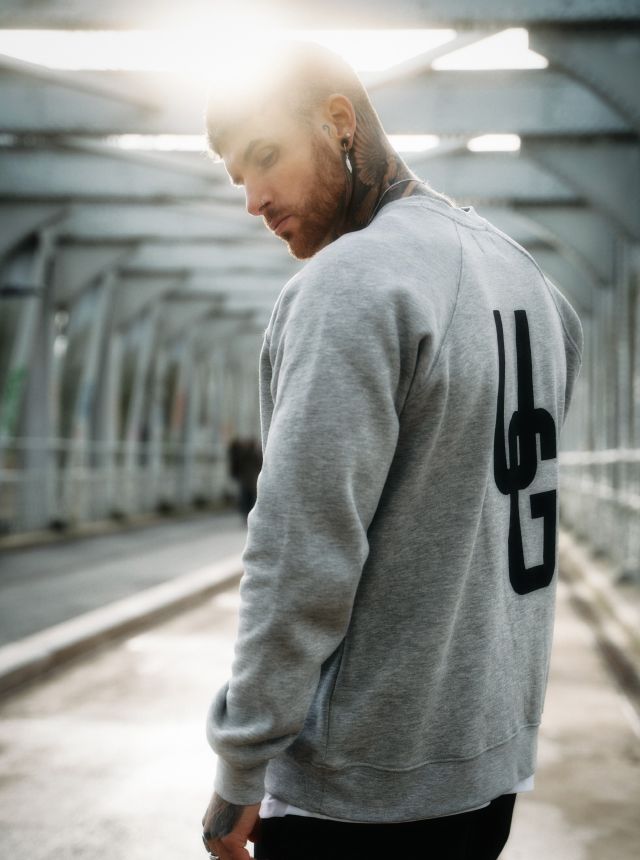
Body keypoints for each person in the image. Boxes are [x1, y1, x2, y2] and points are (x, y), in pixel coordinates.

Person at [200, 42, 583, 860]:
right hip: (485, 773)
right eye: (238, 179)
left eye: (265, 156)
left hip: (359, 792)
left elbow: (300, 552)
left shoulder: (352, 283)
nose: (254, 199)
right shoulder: (534, 287)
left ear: (338, 121)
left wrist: (241, 766)